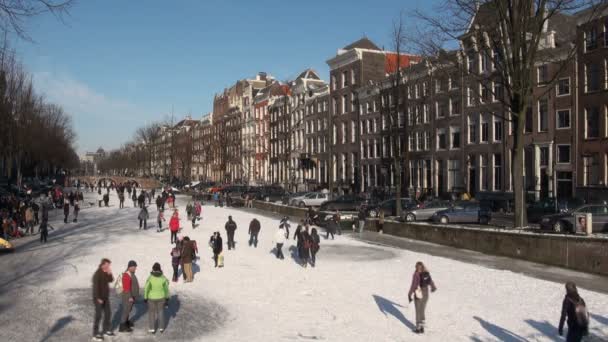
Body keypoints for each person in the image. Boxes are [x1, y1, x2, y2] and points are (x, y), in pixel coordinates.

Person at [407, 261, 437, 334]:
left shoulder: (416, 274)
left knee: (418, 310)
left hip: (418, 293)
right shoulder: (426, 273)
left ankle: (418, 328)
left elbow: (414, 285)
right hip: (426, 293)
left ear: (416, 267)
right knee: (422, 309)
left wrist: (409, 294)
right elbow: (430, 281)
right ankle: (422, 327)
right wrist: (433, 287)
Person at [92, 258, 114, 341]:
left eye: (109, 265)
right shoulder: (97, 274)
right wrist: (98, 298)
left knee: (108, 313)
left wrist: (110, 273)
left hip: (105, 297)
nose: (109, 266)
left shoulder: (105, 272)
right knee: (98, 315)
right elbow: (95, 287)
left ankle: (106, 330)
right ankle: (95, 334)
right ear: (103, 264)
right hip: (98, 298)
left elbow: (111, 280)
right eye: (107, 265)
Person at [144, 262, 169, 334]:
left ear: (153, 269)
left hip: (151, 298)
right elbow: (166, 288)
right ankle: (161, 328)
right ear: (159, 269)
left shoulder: (150, 278)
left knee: (151, 312)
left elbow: (146, 288)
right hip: (161, 297)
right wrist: (167, 297)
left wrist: (145, 298)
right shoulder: (163, 277)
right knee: (160, 312)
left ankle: (152, 328)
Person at [119, 260, 139, 333]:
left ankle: (126, 322)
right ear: (130, 267)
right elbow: (126, 288)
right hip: (128, 296)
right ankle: (122, 326)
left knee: (128, 310)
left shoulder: (131, 273)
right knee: (126, 311)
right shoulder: (127, 275)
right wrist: (130, 297)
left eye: (135, 267)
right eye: (134, 267)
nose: (135, 268)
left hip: (131, 296)